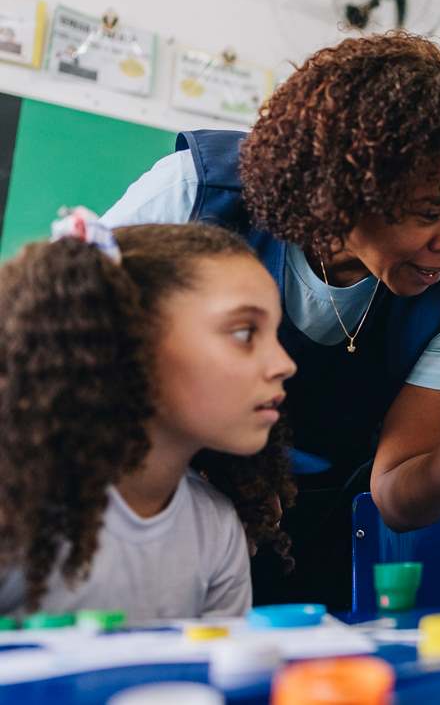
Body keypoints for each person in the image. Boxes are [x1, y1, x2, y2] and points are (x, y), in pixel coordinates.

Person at [103, 32, 440, 607]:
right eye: (429, 211)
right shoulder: (195, 194)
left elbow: (400, 500)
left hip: (314, 540)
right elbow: (60, 348)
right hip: (142, 516)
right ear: (344, 190)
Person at [0, 211, 295, 620]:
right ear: (130, 342)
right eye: (244, 333)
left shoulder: (216, 529)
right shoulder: (15, 509)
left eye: (276, 335)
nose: (284, 364)